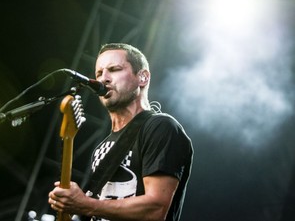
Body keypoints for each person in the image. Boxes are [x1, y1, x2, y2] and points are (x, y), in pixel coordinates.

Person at [48, 43, 193, 221]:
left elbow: (155, 210)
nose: (104, 79)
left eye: (114, 69)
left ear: (143, 78)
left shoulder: (161, 127)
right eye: (99, 73)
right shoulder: (102, 147)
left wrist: (85, 204)